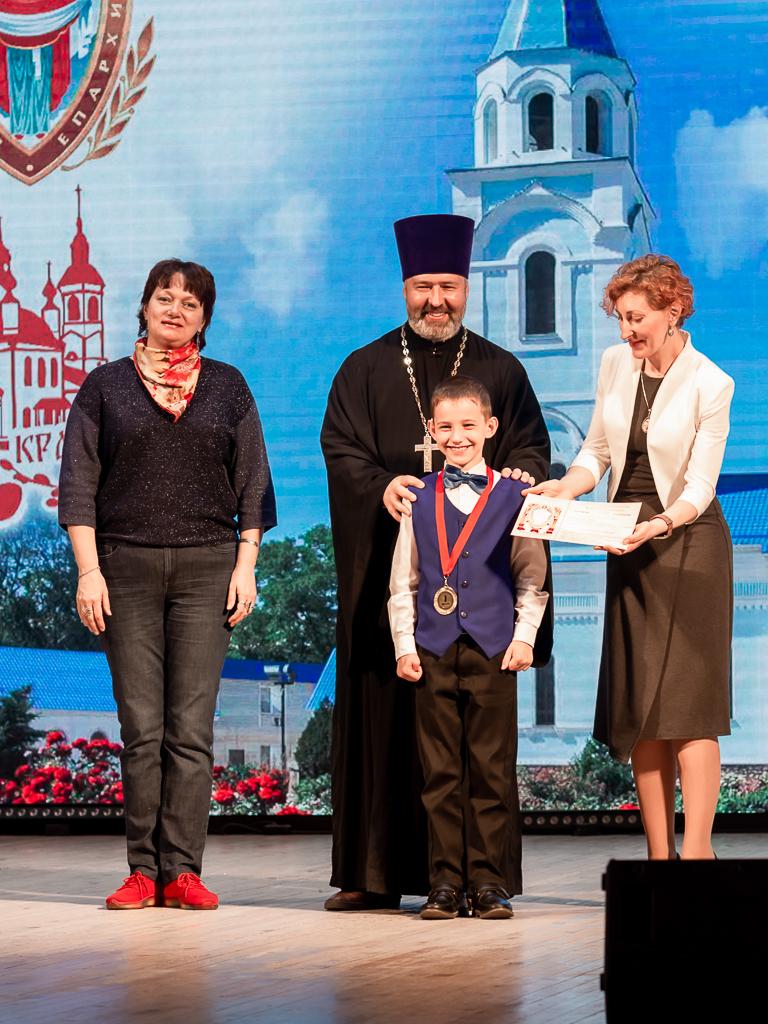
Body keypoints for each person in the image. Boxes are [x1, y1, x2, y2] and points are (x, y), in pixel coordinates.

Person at [320, 214, 552, 910]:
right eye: (423, 287)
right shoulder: (363, 368)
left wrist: (517, 476)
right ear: (405, 289)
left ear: (466, 288)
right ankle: (374, 874)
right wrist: (379, 485)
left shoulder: (501, 370)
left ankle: (483, 879)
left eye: (448, 287)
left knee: (482, 756)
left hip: (480, 598)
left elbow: (532, 449)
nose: (436, 300)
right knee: (390, 727)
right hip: (396, 588)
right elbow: (341, 449)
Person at [58, 258, 276, 908]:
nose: (175, 310)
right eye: (164, 297)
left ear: (204, 318)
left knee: (190, 728)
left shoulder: (228, 386)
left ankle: (182, 871)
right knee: (142, 726)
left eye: (190, 302)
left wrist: (246, 565)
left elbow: (253, 483)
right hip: (123, 568)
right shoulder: (104, 387)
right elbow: (78, 485)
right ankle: (142, 871)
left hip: (209, 568)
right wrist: (89, 572)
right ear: (144, 305)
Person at [526, 254, 733, 860]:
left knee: (690, 706)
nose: (626, 331)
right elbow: (596, 452)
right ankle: (659, 859)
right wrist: (565, 489)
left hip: (687, 541)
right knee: (642, 707)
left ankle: (697, 855)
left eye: (636, 318)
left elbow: (700, 487)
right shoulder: (616, 364)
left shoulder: (712, 383)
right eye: (619, 318)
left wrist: (659, 525)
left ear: (674, 311)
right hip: (627, 541)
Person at [388, 376, 548, 919]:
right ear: (431, 430)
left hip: (493, 649)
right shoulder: (418, 497)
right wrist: (404, 644)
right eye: (446, 427)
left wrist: (524, 637)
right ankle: (444, 884)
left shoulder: (517, 497)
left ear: (491, 427)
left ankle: (488, 882)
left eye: (468, 425)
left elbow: (531, 576)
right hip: (433, 649)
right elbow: (403, 579)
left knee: (491, 772)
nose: (457, 436)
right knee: (439, 775)